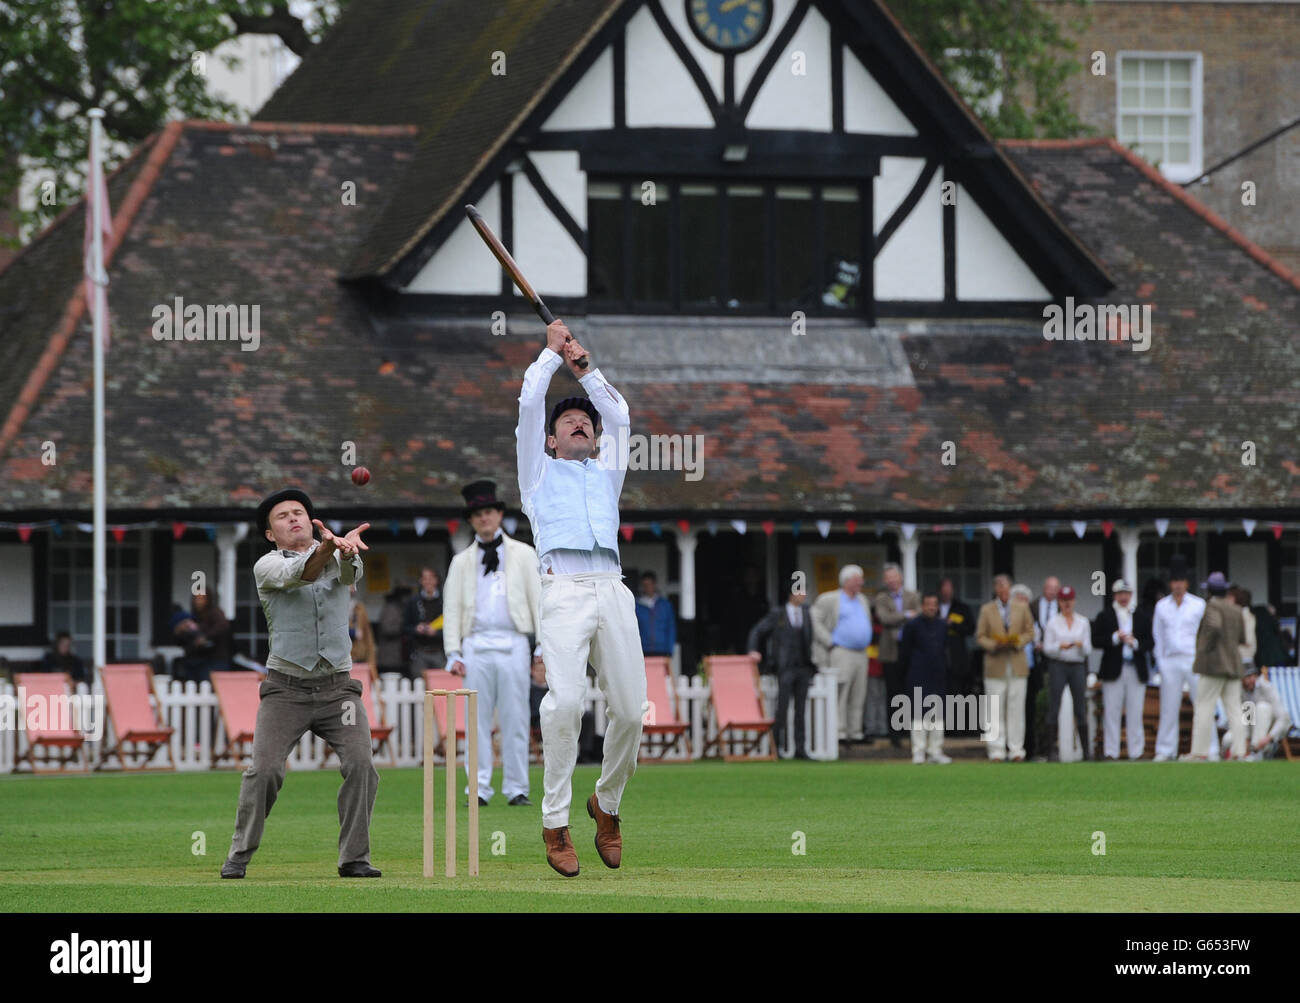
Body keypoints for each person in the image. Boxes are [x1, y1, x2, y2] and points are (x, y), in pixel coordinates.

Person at [518, 319, 646, 877]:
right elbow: (528, 406)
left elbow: (619, 414)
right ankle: (554, 822)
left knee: (631, 711)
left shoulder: (607, 471)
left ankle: (607, 805)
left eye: (584, 423)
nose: (580, 424)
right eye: (568, 421)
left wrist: (585, 370)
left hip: (612, 588)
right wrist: (550, 357)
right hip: (563, 590)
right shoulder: (537, 475)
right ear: (552, 439)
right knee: (565, 705)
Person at [221, 488, 379, 879]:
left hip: (338, 690)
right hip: (285, 690)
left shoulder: (341, 551)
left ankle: (354, 858)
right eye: (282, 517)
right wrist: (328, 549)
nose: (294, 519)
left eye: (299, 513)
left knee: (362, 765)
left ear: (312, 521)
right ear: (270, 534)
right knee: (265, 770)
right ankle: (239, 854)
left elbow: (349, 573)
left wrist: (346, 551)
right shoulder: (267, 566)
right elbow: (302, 573)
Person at [443, 479, 541, 807]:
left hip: (514, 642)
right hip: (476, 645)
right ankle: (479, 789)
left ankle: (516, 788)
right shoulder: (461, 561)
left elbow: (538, 600)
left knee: (516, 718)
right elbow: (452, 608)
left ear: (499, 515)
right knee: (476, 721)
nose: (484, 519)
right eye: (478, 514)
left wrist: (541, 646)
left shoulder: (524, 555)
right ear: (471, 520)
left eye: (489, 512)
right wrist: (453, 651)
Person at [747, 584, 816, 759]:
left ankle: (800, 749)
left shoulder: (807, 613)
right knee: (782, 709)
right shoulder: (778, 614)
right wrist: (753, 650)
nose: (803, 596)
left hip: (803, 667)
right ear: (791, 594)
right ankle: (776, 747)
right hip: (785, 668)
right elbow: (757, 630)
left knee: (801, 710)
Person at [811, 565, 873, 745]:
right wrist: (829, 641)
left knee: (858, 694)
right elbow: (815, 620)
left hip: (861, 653)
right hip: (841, 651)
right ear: (846, 581)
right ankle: (839, 732)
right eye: (857, 579)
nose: (861, 582)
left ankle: (855, 732)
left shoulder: (862, 600)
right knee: (841, 692)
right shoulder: (830, 599)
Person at [1187, 571, 1246, 761]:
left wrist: (1204, 649)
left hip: (1213, 666)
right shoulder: (1236, 609)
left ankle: (1199, 752)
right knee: (1235, 710)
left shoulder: (1212, 606)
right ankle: (1239, 751)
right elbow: (1242, 638)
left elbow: (1214, 626)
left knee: (1204, 707)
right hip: (1233, 665)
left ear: (1210, 591)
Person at [1152, 556, 1206, 761]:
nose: (1178, 584)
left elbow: (1205, 634)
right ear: (1170, 583)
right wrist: (1161, 663)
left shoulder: (1198, 604)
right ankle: (1166, 750)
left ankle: (1206, 749)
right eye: (1174, 581)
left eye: (1181, 580)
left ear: (1187, 583)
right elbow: (1157, 636)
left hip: (1193, 659)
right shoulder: (1162, 606)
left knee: (1201, 705)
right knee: (1168, 707)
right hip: (1170, 661)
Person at [976, 574, 1034, 761]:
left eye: (1005, 586)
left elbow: (1030, 631)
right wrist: (994, 645)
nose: (1002, 589)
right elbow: (980, 636)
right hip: (995, 663)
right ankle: (996, 750)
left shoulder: (1022, 607)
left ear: (1010, 588)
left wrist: (1017, 642)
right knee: (995, 708)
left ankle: (1016, 749)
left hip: (1016, 662)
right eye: (999, 586)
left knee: (1016, 708)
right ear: (995, 589)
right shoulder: (987, 610)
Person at [1092, 579, 1151, 760]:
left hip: (1135, 667)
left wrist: (1136, 643)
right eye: (1120, 594)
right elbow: (1096, 640)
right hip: (1113, 669)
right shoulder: (1105, 615)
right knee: (1112, 712)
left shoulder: (1140, 615)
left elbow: (1150, 642)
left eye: (1126, 593)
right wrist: (1115, 638)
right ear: (1115, 595)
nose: (1123, 597)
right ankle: (1111, 752)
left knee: (1135, 711)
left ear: (1131, 595)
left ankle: (1136, 751)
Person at [898, 591, 951, 764]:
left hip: (938, 673)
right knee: (918, 713)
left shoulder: (942, 626)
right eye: (928, 604)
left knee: (938, 713)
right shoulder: (912, 625)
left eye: (934, 604)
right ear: (922, 606)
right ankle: (918, 751)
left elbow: (944, 649)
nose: (931, 607)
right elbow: (905, 652)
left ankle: (935, 751)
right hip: (918, 673)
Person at [873, 563, 920, 749]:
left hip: (909, 651)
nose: (891, 581)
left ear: (900, 578)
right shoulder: (882, 598)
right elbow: (885, 618)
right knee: (893, 693)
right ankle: (895, 734)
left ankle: (911, 732)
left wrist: (900, 616)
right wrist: (906, 614)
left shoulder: (913, 596)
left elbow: (918, 618)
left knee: (911, 693)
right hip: (890, 651)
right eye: (888, 579)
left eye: (894, 577)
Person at [1042, 585, 1092, 761]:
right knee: (1054, 706)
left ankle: (1086, 751)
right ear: (1059, 602)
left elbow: (1088, 649)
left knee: (1080, 706)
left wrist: (1080, 645)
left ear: (1074, 601)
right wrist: (1059, 646)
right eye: (1063, 601)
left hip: (1077, 664)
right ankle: (1051, 750)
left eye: (1069, 600)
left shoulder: (1083, 622)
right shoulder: (1053, 622)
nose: (1067, 604)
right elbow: (1047, 648)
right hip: (1058, 664)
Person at [1026, 576, 1060, 760]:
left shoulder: (1063, 607)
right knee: (1036, 702)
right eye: (1050, 588)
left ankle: (1051, 747)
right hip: (1036, 660)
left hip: (1055, 660)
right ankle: (1035, 747)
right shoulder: (1032, 606)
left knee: (1052, 703)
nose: (1052, 592)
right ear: (1044, 589)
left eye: (1056, 588)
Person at [1230, 666, 1293, 759]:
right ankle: (1246, 753)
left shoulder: (1266, 687)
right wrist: (1246, 739)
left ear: (1255, 677)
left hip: (1270, 731)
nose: (1248, 680)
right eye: (1245, 678)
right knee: (1227, 740)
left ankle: (1256, 752)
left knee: (1262, 707)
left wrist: (1269, 737)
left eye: (1251, 677)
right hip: (1253, 730)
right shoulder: (1241, 691)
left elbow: (1284, 718)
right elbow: (1247, 720)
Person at [937, 577, 975, 706]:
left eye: (949, 589)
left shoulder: (961, 608)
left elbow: (971, 629)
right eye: (944, 589)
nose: (946, 592)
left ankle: (957, 724)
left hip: (957, 657)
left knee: (957, 693)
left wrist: (952, 625)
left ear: (953, 591)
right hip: (937, 655)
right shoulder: (934, 607)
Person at [403, 567, 445, 677]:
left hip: (439, 652)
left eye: (431, 578)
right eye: (425, 578)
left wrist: (436, 632)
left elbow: (453, 627)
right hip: (419, 652)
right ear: (421, 581)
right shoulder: (413, 601)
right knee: (420, 686)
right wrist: (416, 629)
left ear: (437, 580)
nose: (428, 582)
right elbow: (404, 627)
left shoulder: (445, 600)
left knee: (441, 686)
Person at [635, 571, 677, 659]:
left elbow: (671, 628)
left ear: (654, 584)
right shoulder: (637, 605)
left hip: (662, 649)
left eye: (649, 584)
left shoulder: (665, 605)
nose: (647, 588)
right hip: (643, 649)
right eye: (644, 585)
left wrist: (670, 649)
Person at [375, 587, 407, 676]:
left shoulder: (396, 608)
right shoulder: (391, 608)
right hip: (389, 656)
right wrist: (403, 628)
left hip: (394, 656)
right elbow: (387, 629)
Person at [349, 586, 376, 679]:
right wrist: (352, 632)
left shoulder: (360, 608)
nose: (352, 589)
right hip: (343, 660)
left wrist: (371, 661)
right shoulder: (336, 607)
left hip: (360, 657)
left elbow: (368, 636)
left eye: (353, 586)